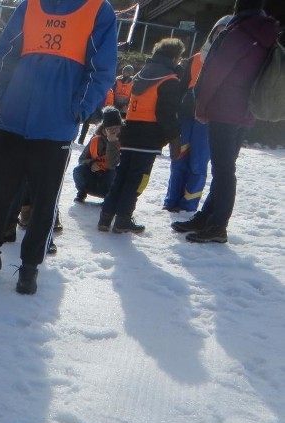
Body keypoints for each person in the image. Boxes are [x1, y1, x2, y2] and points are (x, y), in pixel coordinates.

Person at [0, 0, 117, 295]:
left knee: (44, 200)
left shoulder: (98, 10)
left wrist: (79, 109)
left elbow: (102, 69)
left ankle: (29, 266)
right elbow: (5, 51)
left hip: (55, 127)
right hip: (10, 119)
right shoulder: (31, 5)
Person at [172, 0, 280, 243]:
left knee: (223, 170)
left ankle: (218, 225)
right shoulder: (266, 33)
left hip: (224, 109)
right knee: (225, 167)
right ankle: (208, 217)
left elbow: (215, 71)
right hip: (246, 110)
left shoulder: (239, 32)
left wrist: (200, 105)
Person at [97, 38, 184, 234]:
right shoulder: (168, 80)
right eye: (179, 58)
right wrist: (174, 139)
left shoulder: (141, 74)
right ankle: (123, 220)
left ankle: (106, 217)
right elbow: (166, 114)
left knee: (121, 177)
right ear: (174, 57)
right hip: (149, 137)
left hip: (130, 133)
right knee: (136, 180)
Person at [162, 16, 232, 215]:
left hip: (208, 120)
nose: (221, 35)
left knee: (198, 163)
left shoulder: (231, 62)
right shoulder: (195, 58)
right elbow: (181, 87)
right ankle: (171, 200)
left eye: (226, 32)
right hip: (186, 118)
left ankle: (189, 205)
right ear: (213, 33)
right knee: (178, 160)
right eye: (218, 31)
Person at [73, 106, 122, 202]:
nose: (113, 131)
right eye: (110, 128)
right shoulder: (96, 139)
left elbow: (113, 164)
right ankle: (82, 193)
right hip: (94, 179)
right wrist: (91, 164)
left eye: (116, 128)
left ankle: (110, 199)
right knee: (78, 170)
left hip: (111, 182)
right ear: (104, 129)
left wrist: (112, 142)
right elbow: (81, 159)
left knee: (114, 172)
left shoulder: (124, 141)